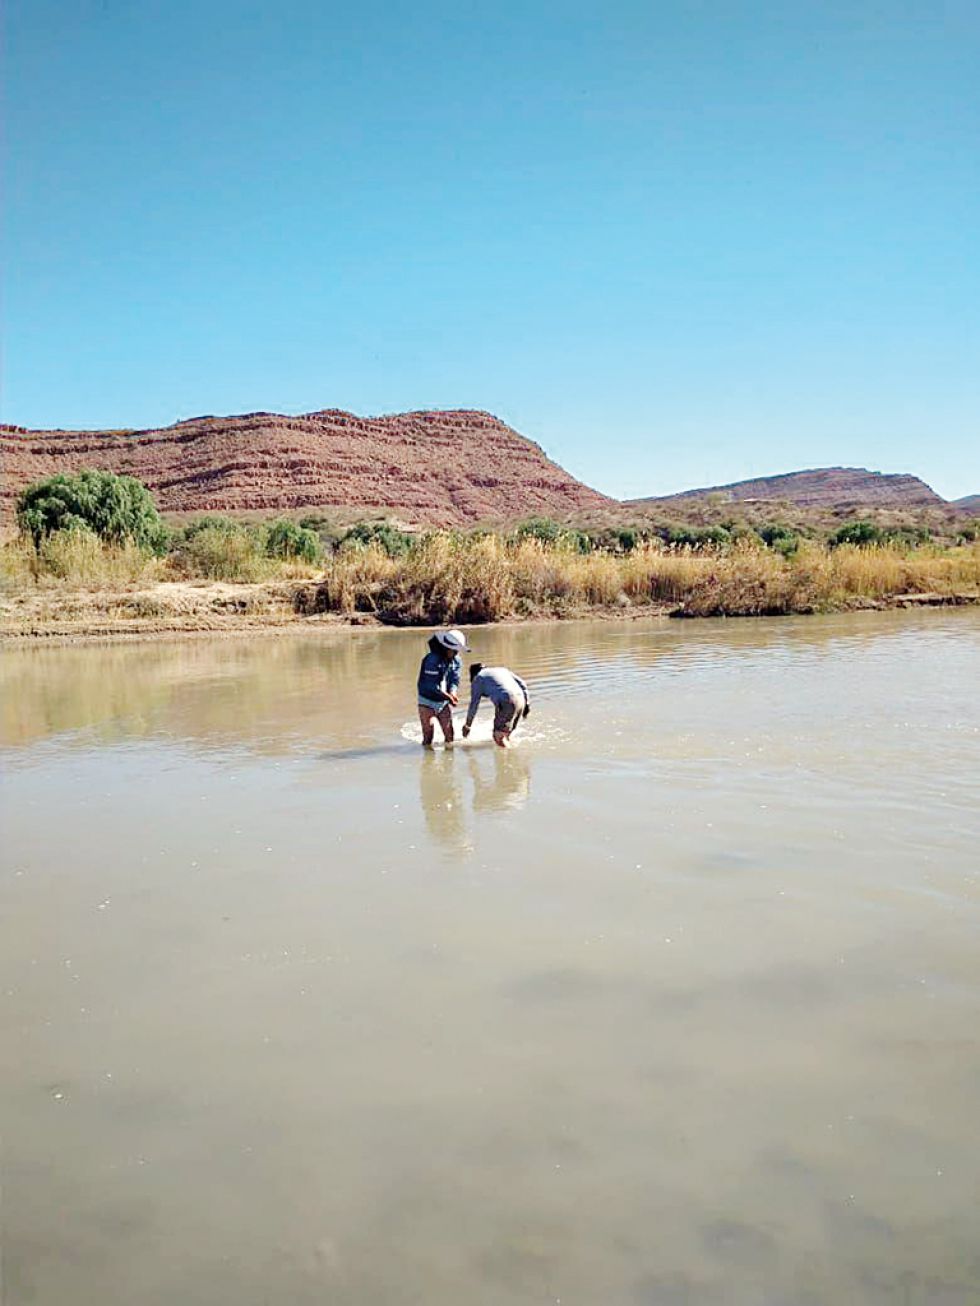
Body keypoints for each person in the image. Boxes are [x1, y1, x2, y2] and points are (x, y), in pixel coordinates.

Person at [417, 628, 468, 747]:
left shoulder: (457, 661)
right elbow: (431, 686)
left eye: (458, 651)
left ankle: (449, 764)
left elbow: (455, 680)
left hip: (443, 701)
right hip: (426, 700)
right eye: (454, 650)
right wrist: (449, 697)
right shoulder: (431, 659)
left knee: (450, 735)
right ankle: (427, 762)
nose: (456, 653)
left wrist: (453, 693)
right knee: (428, 734)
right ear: (446, 647)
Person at [461, 663, 531, 748]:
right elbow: (523, 684)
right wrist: (527, 704)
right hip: (521, 700)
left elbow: (474, 705)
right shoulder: (502, 670)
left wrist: (468, 725)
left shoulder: (479, 678)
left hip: (507, 701)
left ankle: (509, 758)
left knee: (498, 737)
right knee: (506, 734)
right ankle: (510, 755)